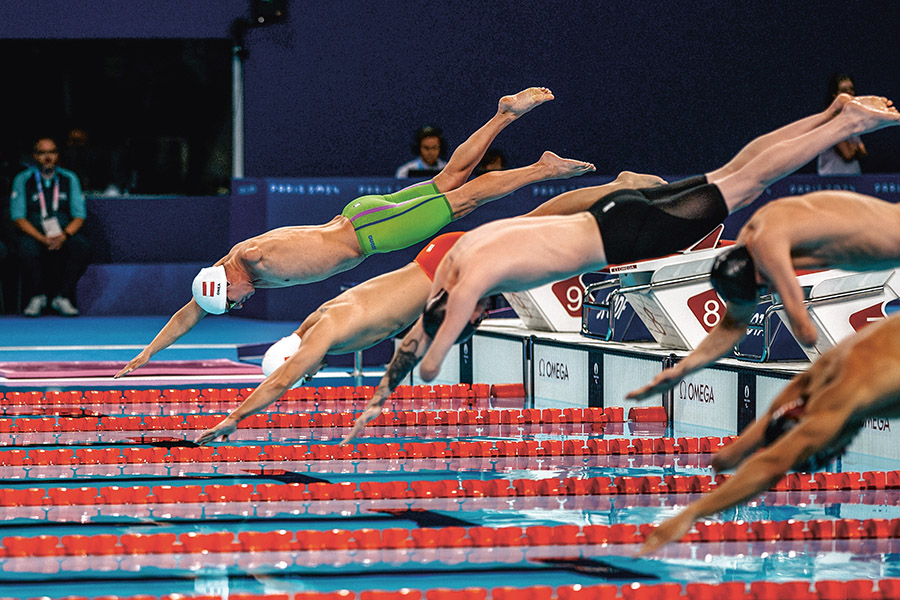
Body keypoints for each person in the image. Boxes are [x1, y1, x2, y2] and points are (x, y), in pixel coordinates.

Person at [342, 94, 900, 443]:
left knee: (747, 182)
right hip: (607, 215)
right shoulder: (457, 259)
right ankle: (832, 113)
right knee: (731, 172)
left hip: (624, 236)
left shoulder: (474, 280)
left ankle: (839, 125)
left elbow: (432, 351)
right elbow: (419, 337)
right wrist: (378, 398)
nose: (477, 313)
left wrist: (421, 367)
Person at [115, 87, 595, 378]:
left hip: (370, 234)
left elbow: (214, 297)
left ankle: (538, 169)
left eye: (234, 300)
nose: (241, 304)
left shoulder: (256, 260)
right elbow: (191, 312)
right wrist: (145, 356)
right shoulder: (231, 268)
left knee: (461, 199)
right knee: (447, 181)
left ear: (229, 282)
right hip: (361, 217)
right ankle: (503, 115)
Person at [195, 170, 666, 444]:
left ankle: (618, 189)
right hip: (435, 265)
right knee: (531, 224)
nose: (307, 373)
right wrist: (374, 402)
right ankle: (615, 192)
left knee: (541, 229)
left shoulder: (323, 335)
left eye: (305, 368)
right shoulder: (316, 322)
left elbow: (280, 378)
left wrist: (229, 423)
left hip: (448, 272)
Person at [638, 311, 900, 555]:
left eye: (828, 451)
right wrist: (737, 451)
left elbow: (771, 464)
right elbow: (782, 407)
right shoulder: (823, 374)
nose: (843, 449)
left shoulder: (841, 396)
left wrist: (691, 514)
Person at [627, 189, 900, 401]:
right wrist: (680, 371)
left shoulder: (768, 243)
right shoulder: (748, 251)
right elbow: (731, 328)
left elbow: (805, 331)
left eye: (761, 289)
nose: (766, 293)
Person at [10, 137, 91, 317]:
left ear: (57, 155)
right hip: (34, 233)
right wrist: (42, 238)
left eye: (52, 152)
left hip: (63, 232)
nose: (47, 157)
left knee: (82, 247)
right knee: (26, 247)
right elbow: (18, 217)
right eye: (42, 153)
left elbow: (79, 215)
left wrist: (64, 236)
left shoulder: (69, 178)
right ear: (35, 156)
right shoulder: (23, 180)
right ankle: (37, 296)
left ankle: (63, 297)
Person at [817, 74, 867, 175]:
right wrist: (855, 148)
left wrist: (854, 148)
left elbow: (863, 152)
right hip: (831, 180)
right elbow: (848, 154)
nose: (849, 94)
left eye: (851, 89)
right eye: (844, 91)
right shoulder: (830, 119)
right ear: (834, 95)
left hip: (853, 178)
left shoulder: (852, 119)